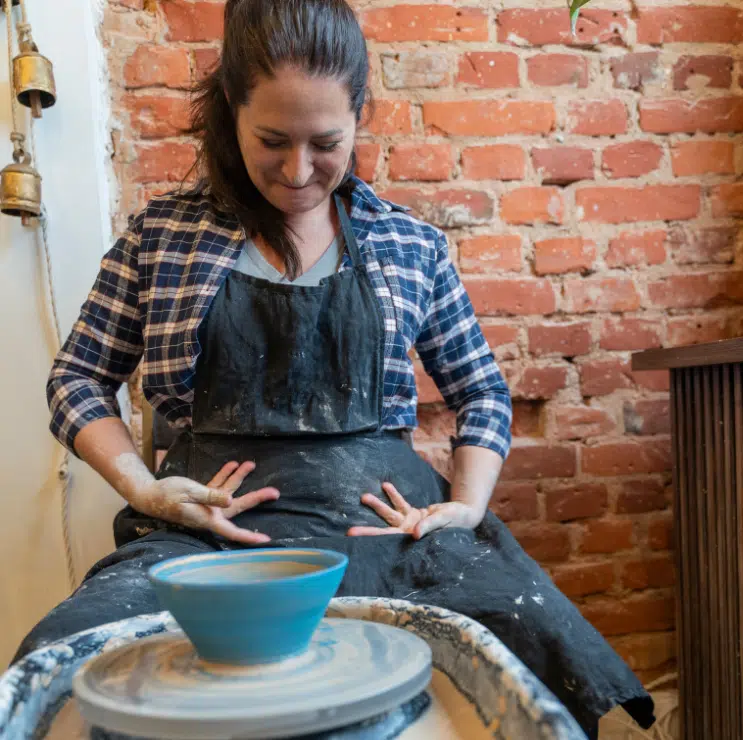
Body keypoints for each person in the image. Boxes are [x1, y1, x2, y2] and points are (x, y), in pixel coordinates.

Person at [15, 0, 655, 735]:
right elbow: (76, 380)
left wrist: (469, 506)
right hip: (210, 536)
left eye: (325, 142)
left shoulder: (408, 245)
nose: (298, 170)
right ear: (232, 109)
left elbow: (480, 392)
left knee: (530, 640)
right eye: (271, 140)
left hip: (386, 531)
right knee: (61, 657)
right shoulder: (163, 236)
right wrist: (145, 489)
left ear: (359, 114)